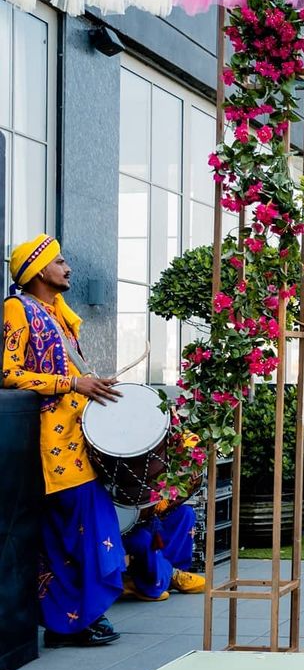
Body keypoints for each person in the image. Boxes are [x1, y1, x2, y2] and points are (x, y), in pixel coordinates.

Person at [2, 236, 203, 648]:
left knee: (85, 532)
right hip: (53, 449)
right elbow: (6, 373)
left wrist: (90, 385)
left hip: (77, 443)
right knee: (77, 534)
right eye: (59, 261)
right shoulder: (17, 309)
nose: (67, 267)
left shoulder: (55, 315)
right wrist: (72, 382)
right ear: (38, 270)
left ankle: (77, 619)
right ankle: (70, 622)